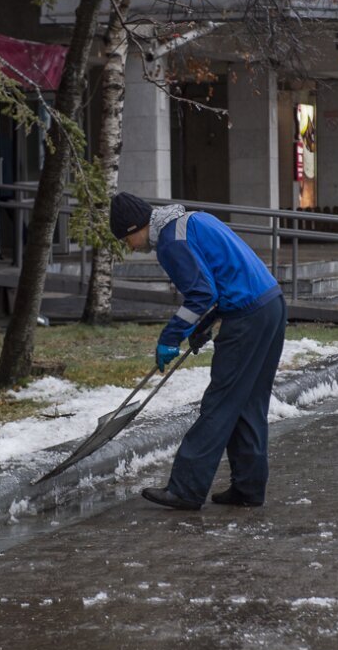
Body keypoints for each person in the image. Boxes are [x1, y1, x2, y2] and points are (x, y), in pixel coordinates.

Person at [108, 193, 287, 510]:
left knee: (220, 404)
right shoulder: (195, 219)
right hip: (271, 305)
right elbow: (223, 277)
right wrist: (203, 326)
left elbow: (201, 294)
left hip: (247, 317)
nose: (130, 247)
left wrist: (171, 336)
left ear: (137, 226)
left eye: (126, 238)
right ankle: (248, 488)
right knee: (248, 402)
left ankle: (186, 489)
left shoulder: (169, 242)